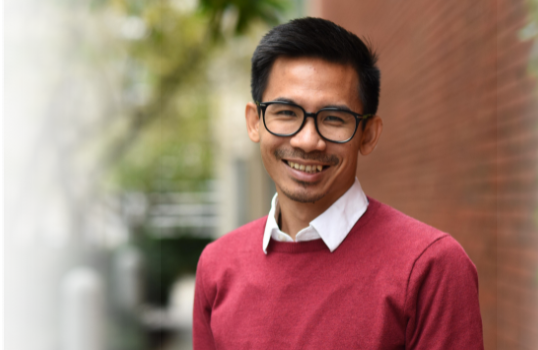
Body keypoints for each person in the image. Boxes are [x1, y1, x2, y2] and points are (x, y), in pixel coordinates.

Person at [192, 17, 484, 350]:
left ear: (369, 135)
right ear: (255, 122)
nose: (307, 140)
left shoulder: (431, 268)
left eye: (333, 118)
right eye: (286, 112)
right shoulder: (216, 266)